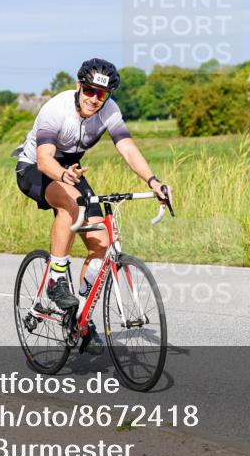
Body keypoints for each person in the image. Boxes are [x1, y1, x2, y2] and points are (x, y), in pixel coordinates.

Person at [13, 58, 170, 353]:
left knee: (101, 243)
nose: (94, 99)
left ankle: (79, 319)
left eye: (102, 94)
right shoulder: (55, 110)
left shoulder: (109, 111)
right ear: (78, 86)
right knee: (72, 203)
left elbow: (127, 148)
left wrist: (153, 182)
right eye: (89, 90)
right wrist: (63, 175)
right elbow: (46, 158)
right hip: (35, 167)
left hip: (71, 169)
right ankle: (56, 279)